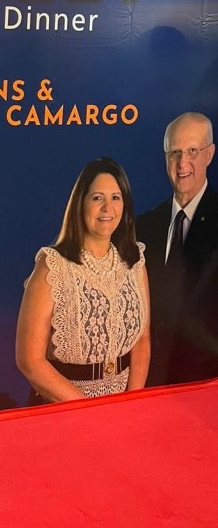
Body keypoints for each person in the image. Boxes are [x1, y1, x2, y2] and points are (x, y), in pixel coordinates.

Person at [16, 158, 150, 402]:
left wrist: (130, 405)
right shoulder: (52, 266)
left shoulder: (134, 261)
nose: (107, 208)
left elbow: (142, 340)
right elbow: (29, 360)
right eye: (97, 198)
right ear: (80, 204)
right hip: (65, 406)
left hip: (123, 406)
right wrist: (90, 412)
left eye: (116, 197)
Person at [136, 112, 218, 386]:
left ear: (209, 154)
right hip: (149, 382)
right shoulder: (144, 226)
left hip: (206, 386)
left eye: (193, 151)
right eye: (175, 153)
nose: (183, 163)